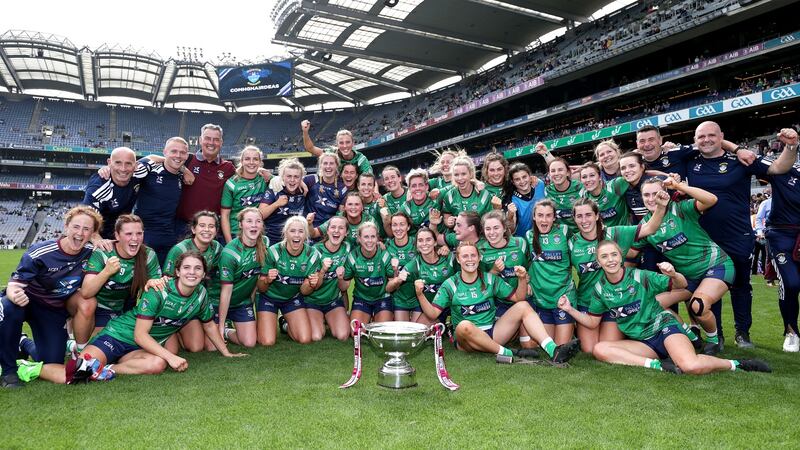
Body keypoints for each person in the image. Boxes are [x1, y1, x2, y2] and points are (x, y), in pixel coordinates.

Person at [557, 240, 770, 375]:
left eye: (613, 255)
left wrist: (673, 274)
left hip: (662, 328)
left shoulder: (640, 276)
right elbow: (593, 321)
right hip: (642, 341)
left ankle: (737, 364)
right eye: (604, 257)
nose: (610, 260)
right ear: (598, 262)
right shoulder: (600, 289)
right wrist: (569, 310)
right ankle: (659, 366)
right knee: (600, 349)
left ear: (620, 257)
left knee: (691, 367)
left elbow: (681, 285)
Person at [686, 121, 797, 348]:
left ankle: (742, 333)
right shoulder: (689, 161)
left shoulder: (742, 160)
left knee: (741, 286)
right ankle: (715, 335)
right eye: (701, 137)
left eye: (711, 136)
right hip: (703, 239)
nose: (706, 140)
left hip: (737, 236)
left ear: (722, 137)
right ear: (695, 141)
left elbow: (779, 168)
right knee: (707, 288)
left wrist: (791, 147)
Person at [76, 251, 245, 381]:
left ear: (203, 275)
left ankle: (105, 370)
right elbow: (140, 334)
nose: (192, 273)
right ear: (177, 271)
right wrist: (171, 357)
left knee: (158, 364)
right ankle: (63, 357)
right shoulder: (159, 290)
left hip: (140, 348)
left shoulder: (201, 294)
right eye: (186, 268)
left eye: (197, 268)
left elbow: (209, 325)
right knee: (77, 370)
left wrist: (226, 353)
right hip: (117, 336)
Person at [413, 241, 579, 364]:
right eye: (465, 256)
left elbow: (518, 299)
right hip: (467, 340)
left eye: (473, 255)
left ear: (479, 258)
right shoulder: (450, 284)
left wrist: (522, 279)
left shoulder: (490, 279)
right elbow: (433, 314)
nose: (469, 259)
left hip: (492, 332)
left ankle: (553, 350)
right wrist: (420, 294)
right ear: (458, 259)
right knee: (464, 325)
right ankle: (508, 353)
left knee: (523, 306)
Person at [0, 206, 101, 388]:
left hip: (51, 310)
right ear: (66, 226)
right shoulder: (41, 251)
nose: (80, 233)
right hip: (26, 301)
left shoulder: (92, 252)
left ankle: (23, 342)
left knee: (50, 361)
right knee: (7, 308)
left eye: (86, 229)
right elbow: (15, 284)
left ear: (93, 233)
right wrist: (15, 295)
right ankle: (8, 372)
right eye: (76, 227)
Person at [638, 175, 736, 355]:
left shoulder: (681, 209)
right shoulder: (645, 225)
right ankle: (692, 337)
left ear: (665, 193)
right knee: (651, 304)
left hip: (716, 265)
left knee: (697, 306)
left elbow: (711, 200)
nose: (651, 199)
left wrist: (679, 186)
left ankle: (713, 340)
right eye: (646, 195)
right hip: (688, 277)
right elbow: (630, 250)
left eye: (655, 193)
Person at [569, 197, 667, 353]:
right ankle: (579, 329)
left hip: (615, 302)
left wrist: (661, 207)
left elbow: (649, 228)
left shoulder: (615, 233)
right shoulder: (572, 242)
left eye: (588, 215)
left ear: (596, 216)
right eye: (579, 216)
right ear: (574, 219)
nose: (584, 220)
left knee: (604, 346)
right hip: (587, 301)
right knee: (588, 349)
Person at [76, 215, 163, 353]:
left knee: (117, 345)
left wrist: (154, 282)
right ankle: (76, 344)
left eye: (139, 233)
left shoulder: (148, 254)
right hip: (96, 307)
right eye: (128, 234)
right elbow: (86, 292)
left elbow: (158, 287)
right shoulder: (104, 252)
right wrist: (106, 272)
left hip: (120, 309)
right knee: (98, 344)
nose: (135, 238)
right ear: (117, 235)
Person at [751, 128, 800, 351]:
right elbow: (749, 158)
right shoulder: (783, 168)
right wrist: (790, 146)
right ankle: (791, 331)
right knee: (791, 283)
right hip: (781, 235)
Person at [163, 211, 223, 352]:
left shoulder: (217, 248)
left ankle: (195, 327)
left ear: (216, 230)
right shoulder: (179, 250)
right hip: (175, 304)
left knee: (206, 347)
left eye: (211, 226)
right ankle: (174, 329)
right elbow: (166, 280)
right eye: (202, 225)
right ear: (193, 229)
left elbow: (215, 277)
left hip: (196, 301)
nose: (207, 230)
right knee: (187, 348)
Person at [256, 216, 321, 345]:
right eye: (292, 231)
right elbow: (260, 288)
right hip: (269, 298)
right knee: (267, 342)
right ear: (285, 233)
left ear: (306, 235)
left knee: (305, 339)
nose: (296, 235)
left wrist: (310, 284)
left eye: (301, 231)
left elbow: (304, 291)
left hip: (292, 298)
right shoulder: (273, 251)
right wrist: (267, 280)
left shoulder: (313, 255)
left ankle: (285, 324)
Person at [131, 137, 194, 265]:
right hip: (145, 234)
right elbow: (130, 169)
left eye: (182, 153)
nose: (178, 155)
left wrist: (184, 170)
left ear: (187, 155)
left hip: (168, 235)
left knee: (165, 277)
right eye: (174, 151)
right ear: (164, 152)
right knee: (141, 277)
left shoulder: (181, 176)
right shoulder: (150, 170)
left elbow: (191, 179)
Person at [525, 199, 577, 345]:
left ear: (554, 217)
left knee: (561, 346)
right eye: (540, 215)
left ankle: (573, 327)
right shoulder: (529, 236)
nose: (544, 219)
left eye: (548, 215)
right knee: (534, 345)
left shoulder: (565, 231)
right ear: (534, 217)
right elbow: (525, 263)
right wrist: (527, 280)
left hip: (563, 297)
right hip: (541, 299)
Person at [478, 210, 532, 347]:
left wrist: (529, 281)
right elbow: (481, 284)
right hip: (499, 303)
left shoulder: (520, 244)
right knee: (499, 338)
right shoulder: (480, 250)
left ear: (504, 228)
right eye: (488, 229)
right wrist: (494, 271)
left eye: (496, 228)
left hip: (523, 298)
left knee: (528, 345)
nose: (492, 232)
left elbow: (532, 266)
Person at [218, 208, 269, 348]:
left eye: (258, 221)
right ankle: (223, 325)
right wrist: (220, 327)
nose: (254, 225)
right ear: (240, 224)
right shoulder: (230, 253)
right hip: (219, 302)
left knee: (250, 342)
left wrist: (250, 303)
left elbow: (255, 278)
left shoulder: (265, 243)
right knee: (210, 345)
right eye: (249, 221)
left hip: (241, 303)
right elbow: (226, 291)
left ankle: (229, 331)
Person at [175, 124, 237, 237]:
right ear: (200, 140)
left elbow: (246, 174)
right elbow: (165, 160)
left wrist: (265, 173)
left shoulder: (228, 167)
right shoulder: (187, 159)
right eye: (208, 138)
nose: (211, 143)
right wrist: (183, 168)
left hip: (212, 229)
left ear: (221, 142)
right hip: (185, 227)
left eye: (216, 140)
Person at [339, 222, 403, 325]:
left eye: (373, 237)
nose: (369, 240)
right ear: (359, 238)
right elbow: (343, 287)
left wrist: (396, 274)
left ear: (377, 238)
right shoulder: (352, 257)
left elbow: (391, 287)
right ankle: (368, 316)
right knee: (356, 330)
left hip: (383, 298)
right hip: (361, 299)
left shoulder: (384, 255)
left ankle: (377, 316)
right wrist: (340, 278)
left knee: (381, 330)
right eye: (366, 237)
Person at [82, 147, 144, 246]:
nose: (123, 169)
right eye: (118, 163)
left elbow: (154, 158)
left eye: (128, 163)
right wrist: (98, 240)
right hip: (101, 236)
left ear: (135, 166)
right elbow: (85, 217)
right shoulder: (99, 186)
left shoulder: (139, 174)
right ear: (109, 162)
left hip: (123, 235)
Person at [305, 216, 351, 341]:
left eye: (341, 228)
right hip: (312, 300)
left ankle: (328, 319)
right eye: (333, 227)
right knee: (316, 336)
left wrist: (341, 277)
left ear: (346, 232)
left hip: (332, 301)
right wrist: (323, 270)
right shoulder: (315, 251)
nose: (336, 231)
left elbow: (344, 287)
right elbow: (312, 285)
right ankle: (288, 323)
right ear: (327, 231)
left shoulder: (347, 248)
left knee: (343, 335)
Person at [403, 227, 455, 324]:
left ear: (435, 242)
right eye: (420, 240)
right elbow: (393, 285)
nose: (424, 244)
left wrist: (447, 248)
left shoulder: (449, 258)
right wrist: (398, 277)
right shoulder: (413, 265)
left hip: (454, 306)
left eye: (428, 239)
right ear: (416, 245)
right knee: (419, 333)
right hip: (432, 308)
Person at [221, 146, 268, 243]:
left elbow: (284, 179)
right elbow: (225, 215)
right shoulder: (232, 184)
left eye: (255, 159)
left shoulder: (264, 179)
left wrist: (301, 183)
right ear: (241, 161)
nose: (251, 162)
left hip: (257, 232)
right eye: (247, 159)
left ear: (260, 162)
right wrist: (229, 242)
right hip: (236, 233)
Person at [259, 158, 307, 244]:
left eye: (296, 177)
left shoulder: (304, 190)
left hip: (295, 240)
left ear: (301, 179)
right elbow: (260, 215)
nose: (292, 180)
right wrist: (276, 204)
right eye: (289, 176)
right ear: (282, 177)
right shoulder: (275, 189)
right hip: (273, 239)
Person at [301, 120, 372, 175]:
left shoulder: (360, 159)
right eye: (341, 143)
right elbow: (310, 148)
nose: (345, 146)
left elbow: (370, 178)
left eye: (348, 142)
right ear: (337, 144)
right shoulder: (332, 153)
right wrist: (305, 132)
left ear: (353, 143)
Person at [440, 156, 497, 223]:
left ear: (470, 174)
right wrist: (449, 222)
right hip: (457, 232)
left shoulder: (483, 194)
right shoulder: (449, 196)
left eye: (463, 174)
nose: (460, 178)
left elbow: (490, 220)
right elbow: (446, 217)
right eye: (456, 175)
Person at [384, 213, 418, 321]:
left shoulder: (417, 243)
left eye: (402, 224)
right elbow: (390, 284)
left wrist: (443, 248)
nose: (398, 228)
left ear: (408, 227)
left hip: (419, 296)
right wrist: (395, 272)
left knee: (419, 331)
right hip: (399, 298)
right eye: (394, 225)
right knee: (404, 331)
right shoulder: (386, 247)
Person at [310, 191, 374, 244]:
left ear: (362, 207)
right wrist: (309, 223)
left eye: (357, 204)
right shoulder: (337, 219)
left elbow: (375, 239)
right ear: (345, 207)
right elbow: (314, 234)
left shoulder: (369, 220)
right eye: (350, 204)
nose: (353, 207)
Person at [304, 152, 347, 229]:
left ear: (337, 166)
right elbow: (293, 180)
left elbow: (341, 215)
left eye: (331, 163)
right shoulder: (311, 180)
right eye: (325, 163)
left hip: (328, 231)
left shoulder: (342, 188)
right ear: (321, 166)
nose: (328, 166)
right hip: (307, 229)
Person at [579, 162, 630, 227]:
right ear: (581, 180)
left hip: (624, 233)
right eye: (584, 177)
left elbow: (634, 177)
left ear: (600, 177)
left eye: (592, 175)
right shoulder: (583, 197)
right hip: (602, 235)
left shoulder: (615, 185)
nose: (588, 180)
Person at [544, 157, 582, 235]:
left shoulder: (580, 187)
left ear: (568, 172)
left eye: (560, 170)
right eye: (553, 171)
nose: (556, 173)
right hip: (558, 236)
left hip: (580, 234)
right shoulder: (547, 190)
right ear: (549, 174)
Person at [507, 162, 544, 237]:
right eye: (517, 179)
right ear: (513, 182)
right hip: (524, 239)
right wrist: (510, 216)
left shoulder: (539, 184)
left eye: (524, 177)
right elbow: (511, 230)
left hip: (543, 234)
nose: (522, 181)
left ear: (530, 176)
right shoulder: (513, 200)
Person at [398, 168, 437, 233]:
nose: (417, 188)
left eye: (420, 185)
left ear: (426, 186)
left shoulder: (436, 197)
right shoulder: (405, 208)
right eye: (414, 186)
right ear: (409, 189)